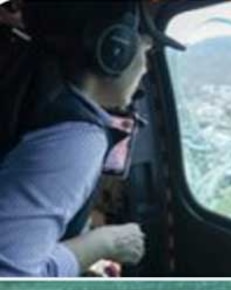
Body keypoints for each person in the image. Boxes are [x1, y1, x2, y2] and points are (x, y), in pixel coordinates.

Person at [0, 1, 183, 276]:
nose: (146, 68)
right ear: (115, 48)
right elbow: (10, 281)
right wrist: (102, 244)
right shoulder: (75, 139)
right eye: (146, 51)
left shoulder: (26, 95)